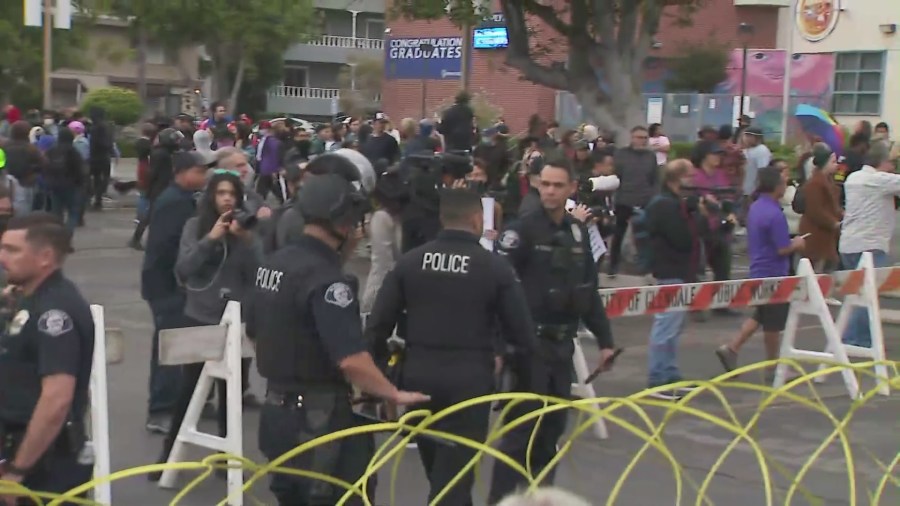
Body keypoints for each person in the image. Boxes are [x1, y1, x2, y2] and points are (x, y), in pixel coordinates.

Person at [246, 154, 429, 505]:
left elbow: (255, 331)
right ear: (345, 223)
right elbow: (351, 360)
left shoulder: (274, 264)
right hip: (322, 422)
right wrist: (394, 393)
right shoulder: (331, 283)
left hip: (277, 415)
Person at [365, 188, 536, 505]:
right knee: (453, 483)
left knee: (441, 475)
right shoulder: (495, 268)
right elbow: (523, 335)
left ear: (443, 219)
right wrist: (524, 385)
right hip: (469, 384)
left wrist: (376, 384)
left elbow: (376, 327)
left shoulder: (410, 263)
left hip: (417, 380)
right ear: (476, 219)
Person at [489, 155, 616, 503]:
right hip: (528, 350)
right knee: (518, 437)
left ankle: (539, 499)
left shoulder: (577, 233)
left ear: (572, 188)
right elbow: (497, 291)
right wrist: (499, 347)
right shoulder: (522, 230)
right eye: (545, 184)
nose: (550, 191)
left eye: (558, 185)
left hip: (562, 350)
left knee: (550, 435)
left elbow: (589, 292)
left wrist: (605, 342)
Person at [150, 171, 264, 479]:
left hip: (237, 320)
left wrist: (248, 240)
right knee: (188, 392)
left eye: (232, 194)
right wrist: (211, 238)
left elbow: (263, 271)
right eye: (221, 193)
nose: (227, 198)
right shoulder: (194, 226)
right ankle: (168, 455)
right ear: (211, 197)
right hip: (200, 315)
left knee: (232, 394)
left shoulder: (248, 230)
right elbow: (183, 269)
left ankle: (226, 459)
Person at [0, 213, 94, 501]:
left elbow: (56, 400)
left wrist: (18, 470)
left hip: (43, 463)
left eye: (12, 250)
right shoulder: (29, 298)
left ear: (45, 257)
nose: (2, 257)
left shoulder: (54, 313)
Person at [140, 152, 211, 434]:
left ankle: (184, 403)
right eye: (199, 171)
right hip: (167, 286)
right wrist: (180, 279)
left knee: (183, 346)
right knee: (169, 349)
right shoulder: (174, 202)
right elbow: (167, 249)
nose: (204, 176)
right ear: (182, 172)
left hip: (173, 285)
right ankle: (159, 410)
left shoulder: (183, 199)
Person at [716, 167, 806, 382]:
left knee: (761, 315)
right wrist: (798, 244)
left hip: (758, 268)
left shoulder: (756, 207)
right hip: (774, 272)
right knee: (773, 323)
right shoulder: (775, 214)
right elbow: (782, 248)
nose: (785, 187)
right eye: (783, 183)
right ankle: (773, 368)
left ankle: (732, 348)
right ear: (776, 186)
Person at [644, 160, 711, 399]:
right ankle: (657, 378)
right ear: (677, 178)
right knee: (666, 325)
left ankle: (670, 372)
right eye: (690, 177)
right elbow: (683, 238)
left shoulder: (673, 204)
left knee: (674, 326)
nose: (693, 181)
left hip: (680, 271)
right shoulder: (666, 206)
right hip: (670, 269)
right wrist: (697, 216)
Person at [838, 141, 900, 347]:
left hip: (848, 243)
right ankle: (855, 339)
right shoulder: (879, 180)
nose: (893, 167)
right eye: (891, 162)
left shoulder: (854, 178)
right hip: (869, 245)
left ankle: (861, 337)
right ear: (882, 162)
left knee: (859, 293)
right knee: (868, 294)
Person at [608, 126, 658, 276]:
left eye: (645, 138)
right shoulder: (621, 154)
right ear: (632, 138)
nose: (642, 141)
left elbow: (655, 179)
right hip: (624, 199)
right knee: (619, 233)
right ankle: (613, 265)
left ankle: (645, 266)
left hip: (645, 200)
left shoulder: (651, 156)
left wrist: (653, 198)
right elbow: (616, 177)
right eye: (639, 137)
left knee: (645, 235)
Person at [798, 143, 842, 273]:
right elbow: (815, 210)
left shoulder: (827, 181)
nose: (836, 165)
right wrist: (834, 223)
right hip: (816, 234)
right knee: (817, 271)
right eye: (833, 162)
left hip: (827, 235)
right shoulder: (815, 183)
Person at [43, 128, 85, 231]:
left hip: (54, 186)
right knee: (73, 213)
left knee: (56, 213)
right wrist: (80, 183)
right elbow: (79, 170)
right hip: (71, 186)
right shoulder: (73, 151)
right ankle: (67, 235)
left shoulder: (51, 151)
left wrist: (48, 181)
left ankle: (58, 236)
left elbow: (45, 167)